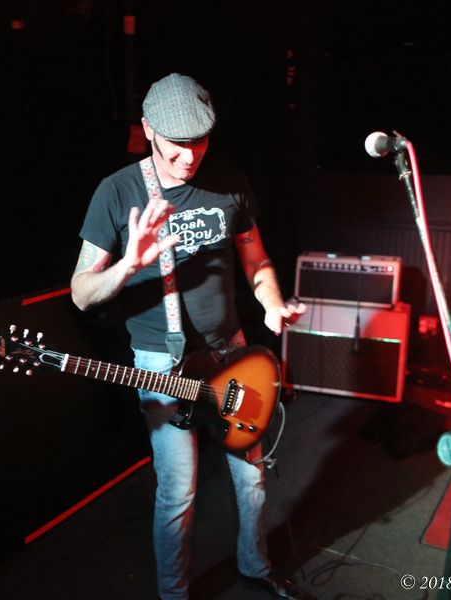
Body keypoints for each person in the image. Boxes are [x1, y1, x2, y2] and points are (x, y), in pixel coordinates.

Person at [71, 73, 305, 600]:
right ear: (148, 129)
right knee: (179, 490)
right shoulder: (118, 192)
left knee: (252, 478)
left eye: (200, 142)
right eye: (177, 144)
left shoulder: (229, 180)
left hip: (232, 353)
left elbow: (257, 259)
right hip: (162, 363)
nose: (189, 157)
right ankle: (174, 593)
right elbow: (82, 294)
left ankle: (256, 566)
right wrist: (128, 266)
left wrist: (271, 304)